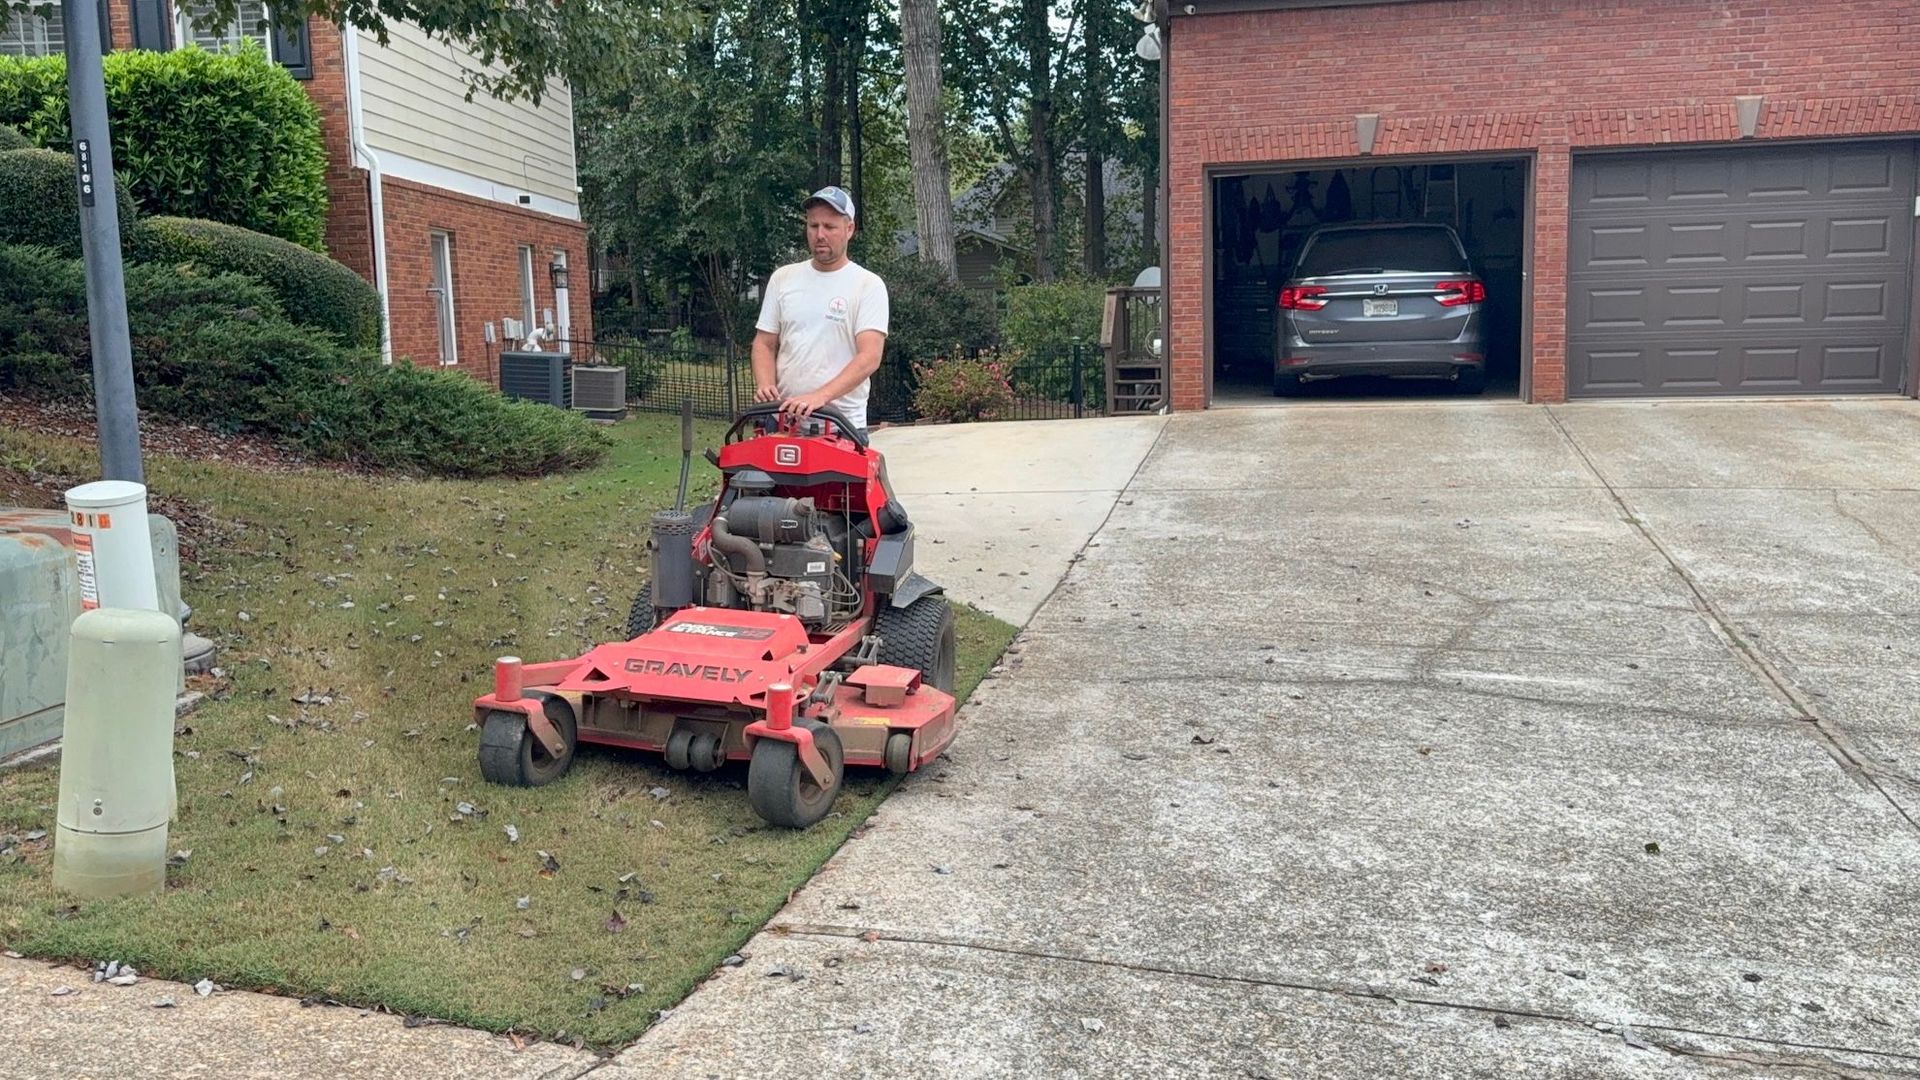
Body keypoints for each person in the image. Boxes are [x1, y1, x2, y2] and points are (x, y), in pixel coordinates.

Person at [751, 185, 890, 435]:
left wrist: (819, 397)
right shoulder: (783, 278)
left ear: (849, 229)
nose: (820, 234)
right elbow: (764, 343)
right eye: (813, 226)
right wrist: (765, 384)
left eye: (829, 227)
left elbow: (869, 357)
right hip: (781, 422)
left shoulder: (867, 285)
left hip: (840, 425)